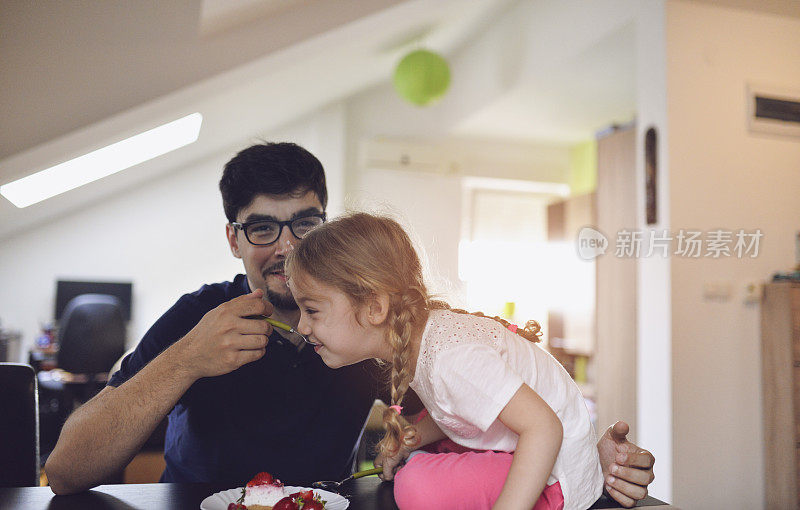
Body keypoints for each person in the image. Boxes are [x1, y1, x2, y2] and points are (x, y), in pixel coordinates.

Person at [45, 143, 654, 508]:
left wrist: (590, 457)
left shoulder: (368, 327)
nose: (285, 248)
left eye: (305, 224)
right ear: (233, 239)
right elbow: (68, 471)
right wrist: (185, 360)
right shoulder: (195, 317)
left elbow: (485, 410)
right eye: (262, 228)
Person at [285, 212, 609, 509]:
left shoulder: (452, 357)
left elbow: (544, 427)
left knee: (418, 486)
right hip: (523, 451)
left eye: (312, 310)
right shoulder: (425, 343)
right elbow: (463, 406)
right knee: (419, 469)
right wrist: (412, 440)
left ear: (374, 307)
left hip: (555, 477)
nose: (301, 326)